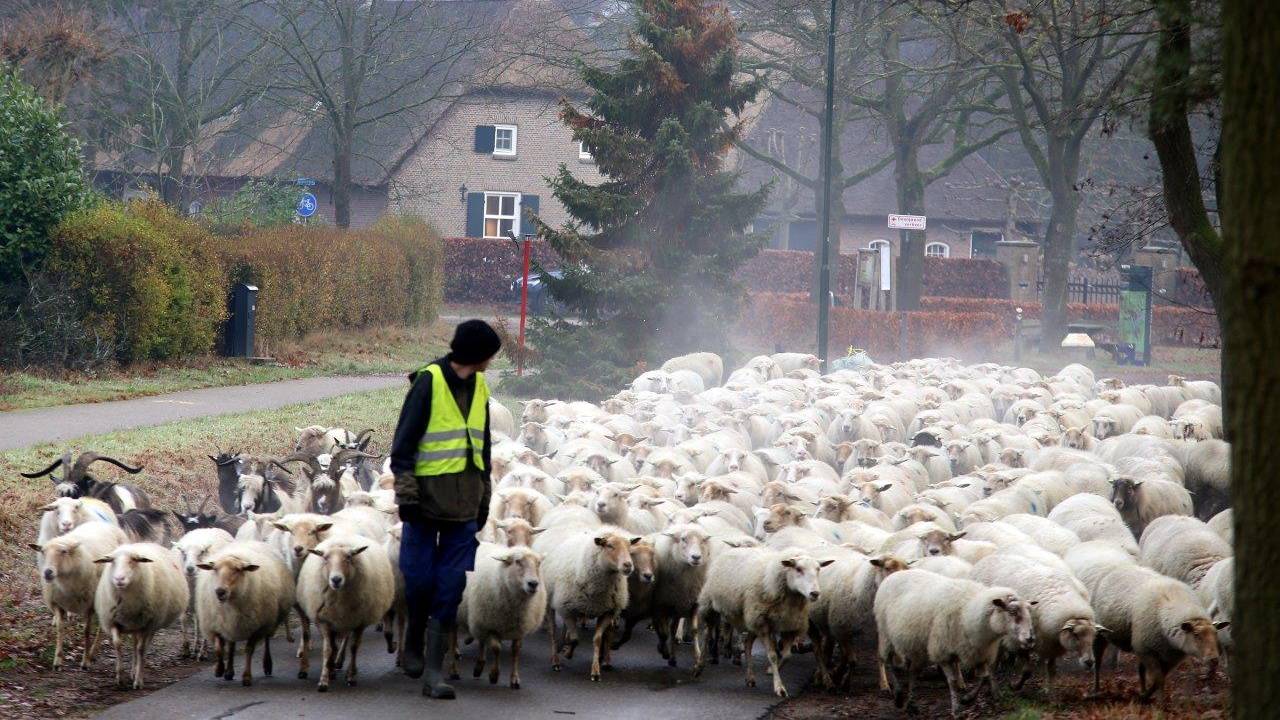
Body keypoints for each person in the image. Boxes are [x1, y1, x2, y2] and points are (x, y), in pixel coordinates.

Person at [389, 319, 501, 699]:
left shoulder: (481, 386)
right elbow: (402, 448)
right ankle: (414, 640)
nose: (491, 361)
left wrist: (485, 496)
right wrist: (407, 498)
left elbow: (482, 447)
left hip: (464, 506)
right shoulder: (428, 383)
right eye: (489, 354)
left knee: (450, 587)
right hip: (423, 504)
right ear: (478, 353)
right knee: (418, 580)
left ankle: (434, 672)